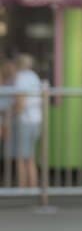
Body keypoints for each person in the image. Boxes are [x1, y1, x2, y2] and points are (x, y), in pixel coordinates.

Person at [10, 53, 43, 188]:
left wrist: (10, 114)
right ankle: (33, 186)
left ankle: (22, 188)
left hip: (25, 120)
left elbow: (20, 102)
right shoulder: (34, 77)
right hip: (37, 119)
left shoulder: (20, 78)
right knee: (30, 157)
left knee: (21, 157)